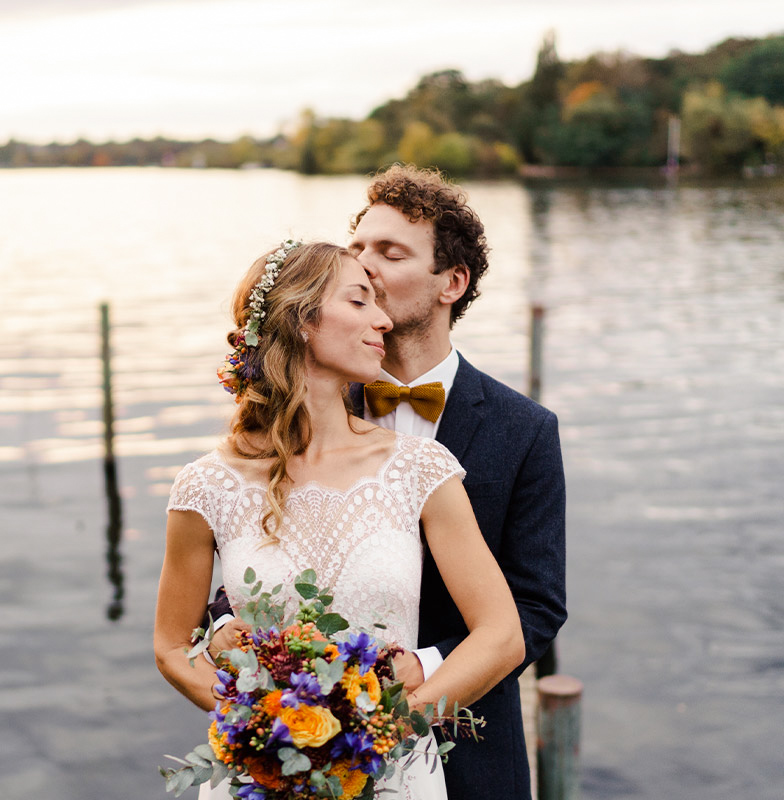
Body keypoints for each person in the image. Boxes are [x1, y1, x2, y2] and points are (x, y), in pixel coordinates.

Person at [205, 165, 568, 800]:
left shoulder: (524, 430)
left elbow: (535, 607)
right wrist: (220, 630)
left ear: (451, 283)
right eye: (359, 249)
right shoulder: (302, 401)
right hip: (301, 746)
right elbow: (252, 546)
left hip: (471, 748)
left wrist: (416, 673)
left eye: (390, 252)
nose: (364, 266)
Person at [153, 239, 525, 799]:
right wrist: (264, 727)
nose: (382, 319)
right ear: (302, 320)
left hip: (393, 771)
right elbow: (171, 646)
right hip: (263, 778)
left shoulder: (419, 468)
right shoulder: (206, 485)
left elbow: (501, 636)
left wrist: (379, 731)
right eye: (359, 301)